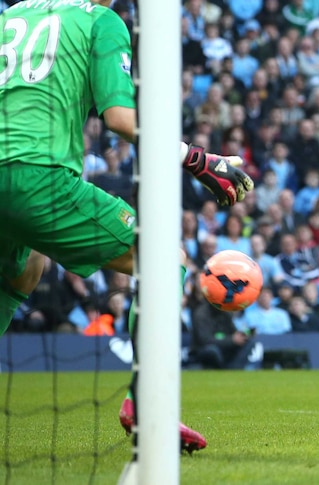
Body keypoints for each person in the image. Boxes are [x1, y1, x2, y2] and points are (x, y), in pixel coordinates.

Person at [0, 1, 254, 453]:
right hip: (39, 177)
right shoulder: (101, 20)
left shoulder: (15, 14)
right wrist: (196, 158)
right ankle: (145, 405)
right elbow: (119, 120)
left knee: (25, 268)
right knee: (164, 259)